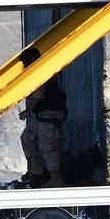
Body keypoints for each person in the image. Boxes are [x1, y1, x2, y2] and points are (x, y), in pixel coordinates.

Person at [19, 48, 67, 188]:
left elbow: (38, 95)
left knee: (48, 144)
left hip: (51, 113)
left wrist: (27, 111)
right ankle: (37, 172)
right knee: (27, 137)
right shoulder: (37, 72)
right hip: (42, 114)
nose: (24, 66)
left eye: (25, 62)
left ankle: (55, 178)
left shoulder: (41, 72)